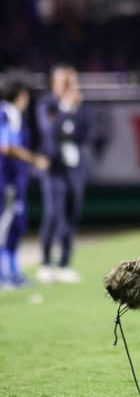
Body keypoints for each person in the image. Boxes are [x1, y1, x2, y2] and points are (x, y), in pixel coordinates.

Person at [35, 65, 91, 283]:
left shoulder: (81, 106)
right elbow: (49, 132)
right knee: (53, 213)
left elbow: (85, 132)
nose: (69, 88)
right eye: (65, 83)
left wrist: (71, 113)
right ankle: (45, 261)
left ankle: (64, 263)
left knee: (72, 213)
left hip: (74, 168)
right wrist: (65, 109)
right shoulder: (47, 105)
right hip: (54, 168)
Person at [0, 80, 49, 288]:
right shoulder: (6, 114)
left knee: (16, 225)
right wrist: (33, 159)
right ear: (20, 95)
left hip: (15, 179)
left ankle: (13, 271)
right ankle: (3, 275)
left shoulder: (13, 115)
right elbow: (6, 146)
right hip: (6, 179)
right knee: (5, 225)